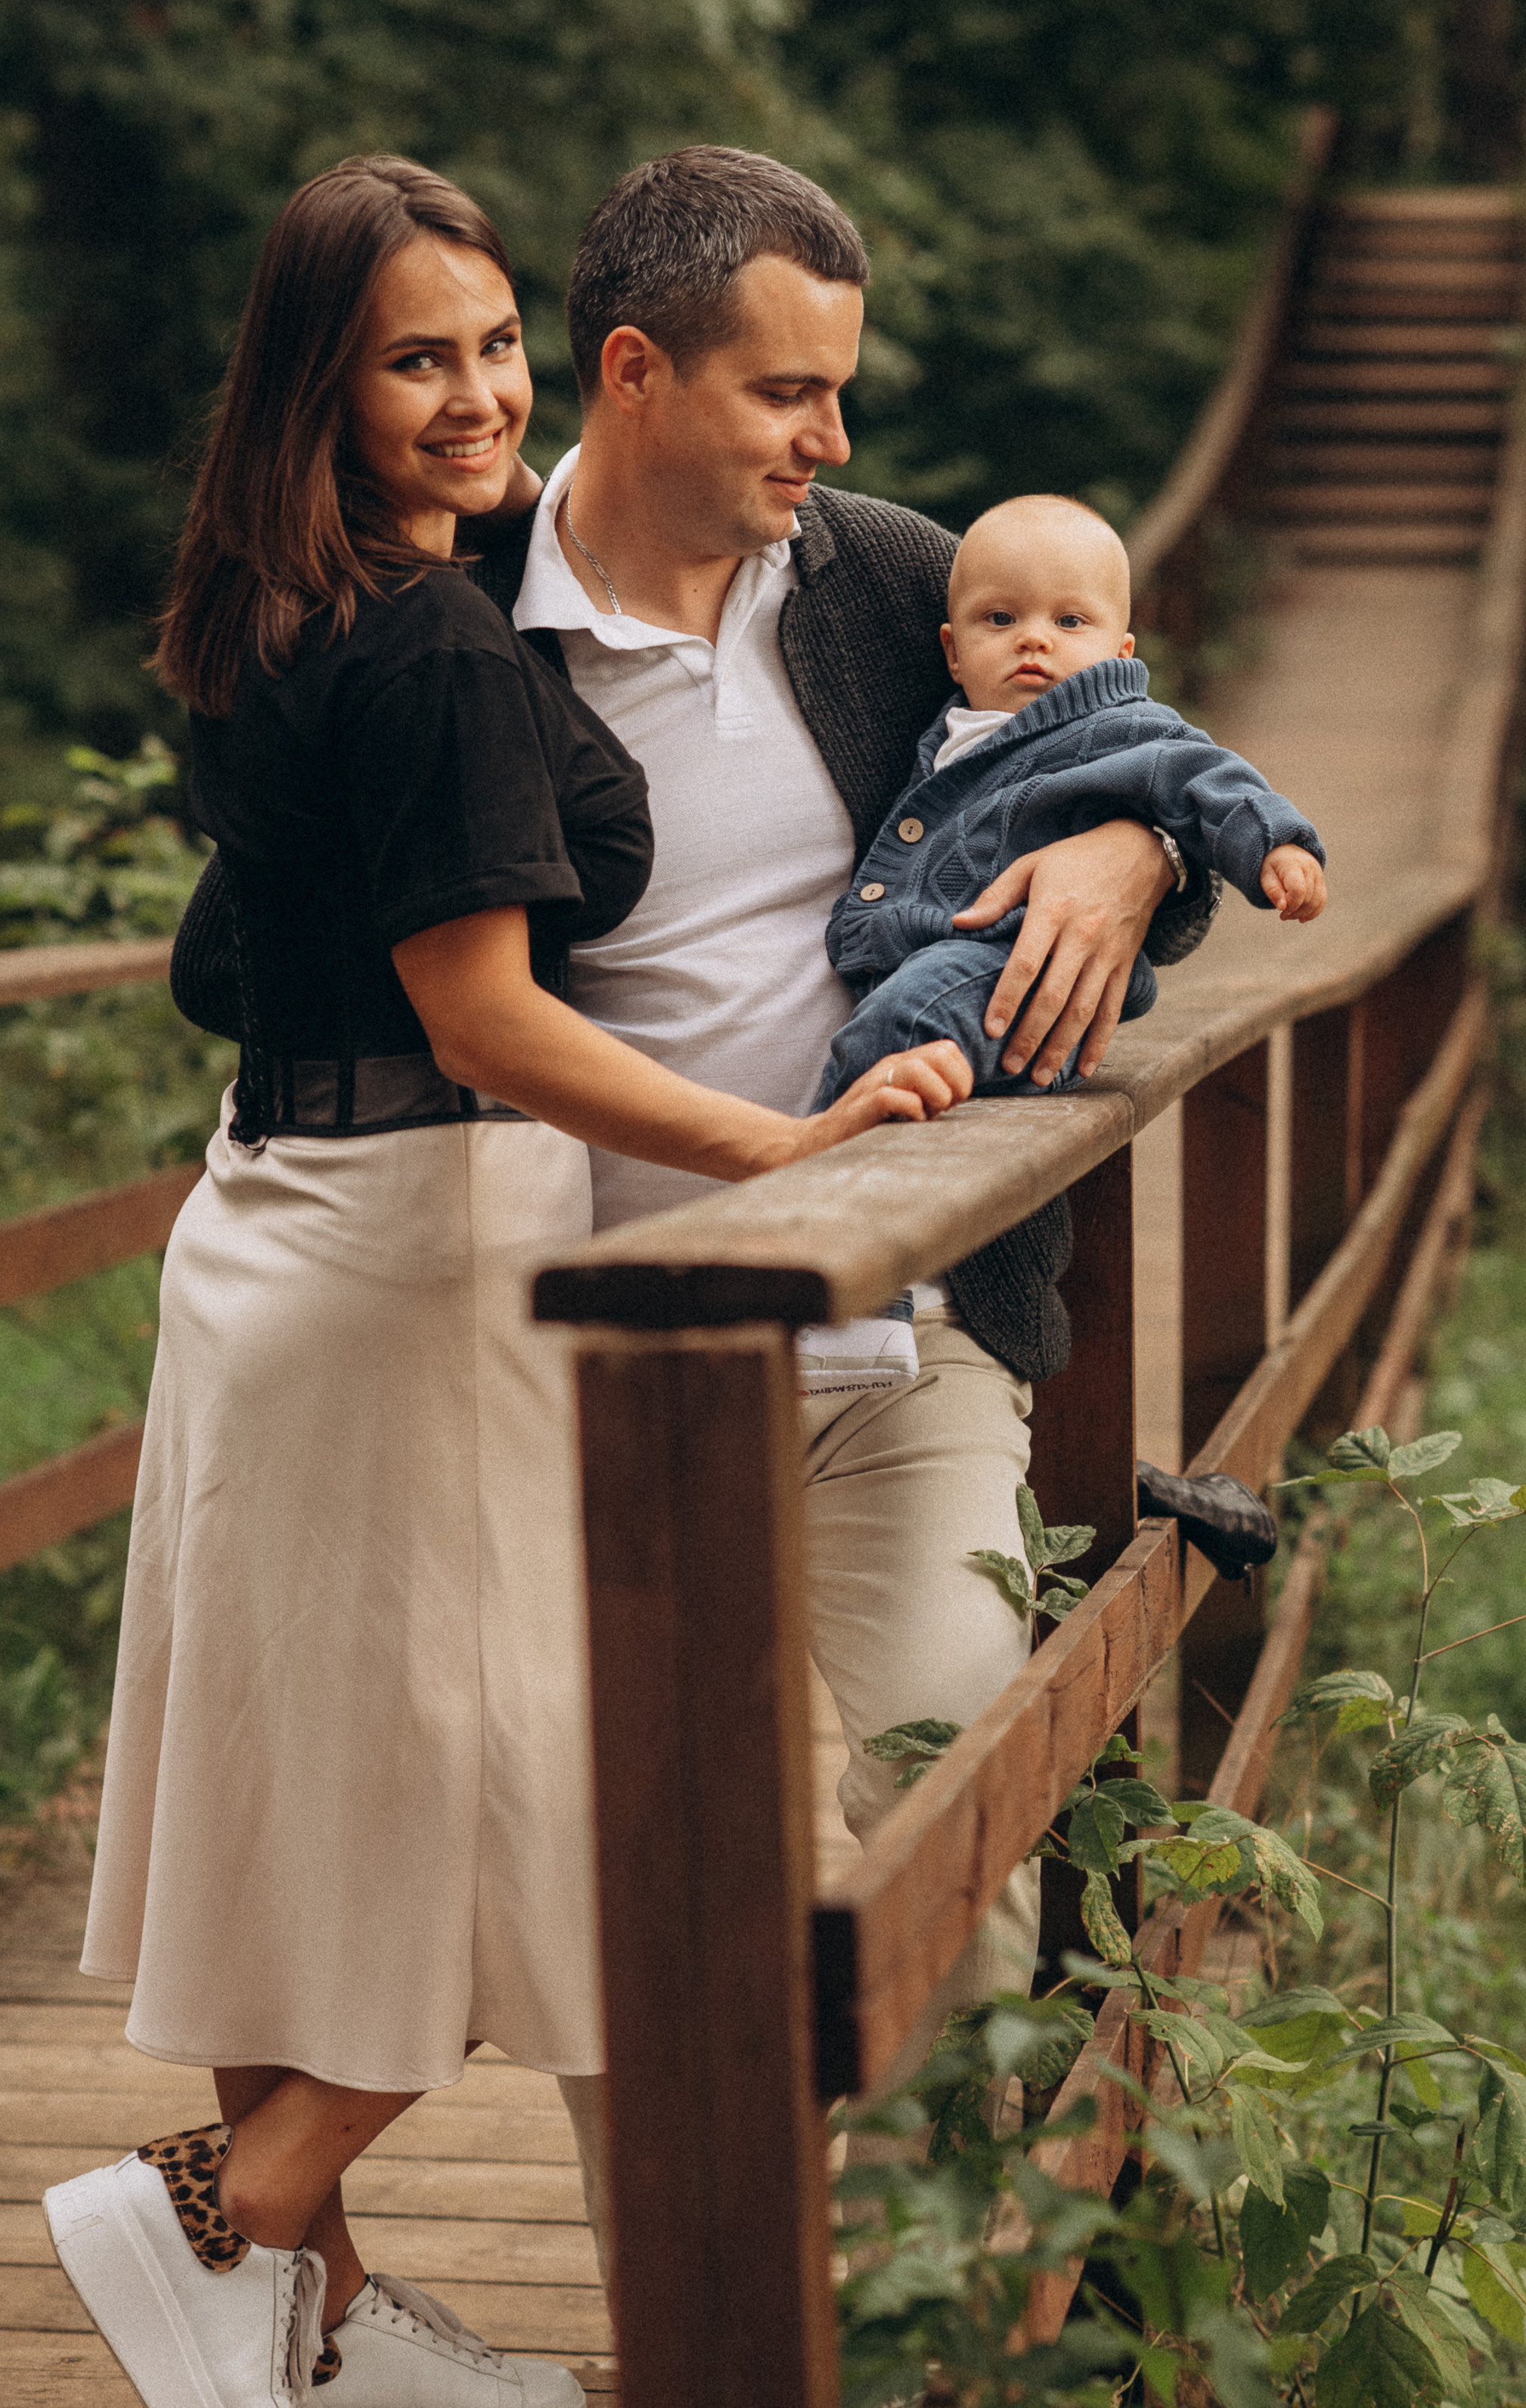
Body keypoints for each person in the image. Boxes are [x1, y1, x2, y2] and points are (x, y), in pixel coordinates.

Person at [45, 156, 967, 2408]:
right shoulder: (450, 641)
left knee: (311, 1796)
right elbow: (482, 1012)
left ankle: (318, 2330)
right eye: (415, 357)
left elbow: (223, 956)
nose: (474, 396)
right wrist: (790, 1136)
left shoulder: (270, 613)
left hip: (277, 1223)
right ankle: (229, 2207)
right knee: (550, 1810)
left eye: (491, 348)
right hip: (429, 1254)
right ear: (320, 387)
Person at [458, 144, 1225, 2171]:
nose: (836, 433)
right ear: (634, 371)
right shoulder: (458, 623)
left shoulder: (888, 574)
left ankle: (937, 2304)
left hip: (904, 1324)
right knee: (639, 1886)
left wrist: (1127, 842)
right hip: (582, 1369)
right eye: (789, 391)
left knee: (950, 1786)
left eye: (840, 388)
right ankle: (699, 2320)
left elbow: (1127, 728)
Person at [799, 490, 1326, 1387]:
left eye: (1068, 619)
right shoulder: (953, 729)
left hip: (1015, 962)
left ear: (1121, 651)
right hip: (963, 968)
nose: (1033, 640)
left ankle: (852, 1304)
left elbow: (1202, 779)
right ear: (951, 648)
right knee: (900, 1064)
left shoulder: (1115, 727)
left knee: (881, 1046)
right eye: (999, 619)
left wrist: (1275, 846)